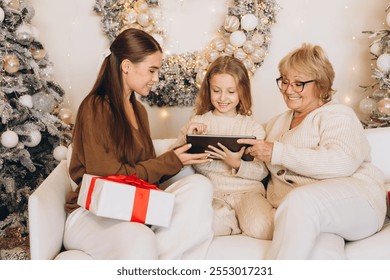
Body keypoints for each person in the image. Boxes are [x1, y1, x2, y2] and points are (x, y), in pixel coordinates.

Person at [63, 28, 214, 260]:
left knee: (199, 185)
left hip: (129, 207)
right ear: (126, 66)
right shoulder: (95, 107)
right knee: (141, 238)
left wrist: (181, 150)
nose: (156, 78)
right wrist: (170, 161)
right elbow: (108, 176)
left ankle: (158, 264)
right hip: (93, 212)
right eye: (151, 70)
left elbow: (144, 170)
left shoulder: (139, 111)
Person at [238, 43, 387, 259]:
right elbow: (259, 164)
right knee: (319, 247)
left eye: (299, 84)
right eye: (285, 81)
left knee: (301, 202)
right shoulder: (275, 124)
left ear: (321, 85)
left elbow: (341, 162)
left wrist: (277, 153)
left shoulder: (337, 114)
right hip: (310, 214)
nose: (289, 90)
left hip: (358, 200)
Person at [173, 56, 274, 239]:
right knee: (207, 227)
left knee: (263, 228)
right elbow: (173, 159)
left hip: (248, 193)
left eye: (231, 92)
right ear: (208, 89)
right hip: (215, 195)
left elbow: (263, 171)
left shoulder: (252, 128)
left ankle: (239, 219)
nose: (222, 98)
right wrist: (187, 136)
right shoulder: (198, 122)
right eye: (216, 90)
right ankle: (232, 222)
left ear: (242, 92)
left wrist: (236, 164)